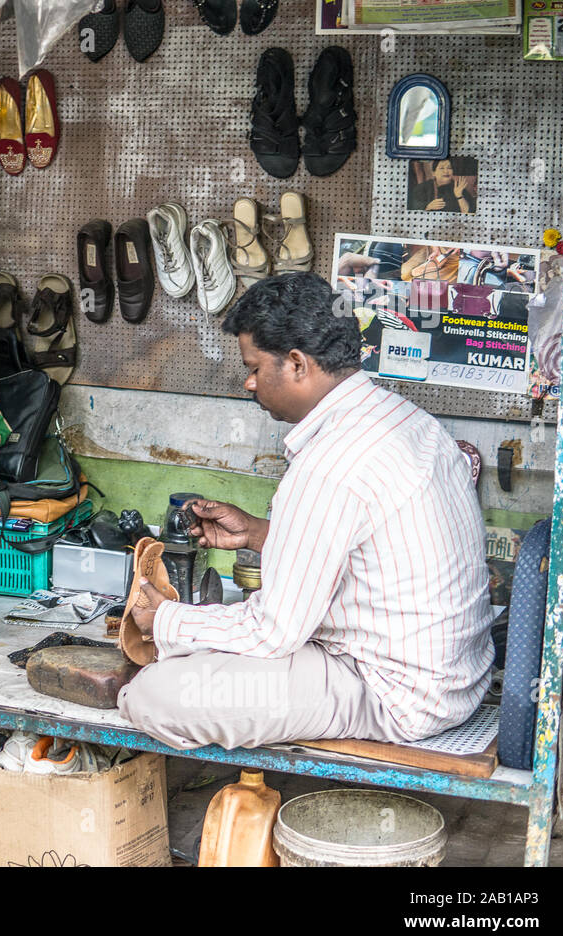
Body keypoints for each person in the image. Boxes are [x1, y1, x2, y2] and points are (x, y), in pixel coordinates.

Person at [117, 272, 493, 750]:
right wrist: (257, 533)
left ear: (296, 364)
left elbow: (273, 631)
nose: (248, 382)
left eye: (254, 366)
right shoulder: (406, 421)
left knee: (156, 693)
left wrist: (168, 620)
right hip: (452, 678)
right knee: (201, 651)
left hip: (389, 693)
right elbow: (369, 557)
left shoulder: (330, 462)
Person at [410, 159, 475, 213]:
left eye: (449, 168)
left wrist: (459, 196)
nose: (446, 171)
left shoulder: (458, 187)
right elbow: (412, 211)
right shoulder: (422, 188)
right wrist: (427, 207)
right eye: (441, 168)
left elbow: (468, 213)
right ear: (433, 173)